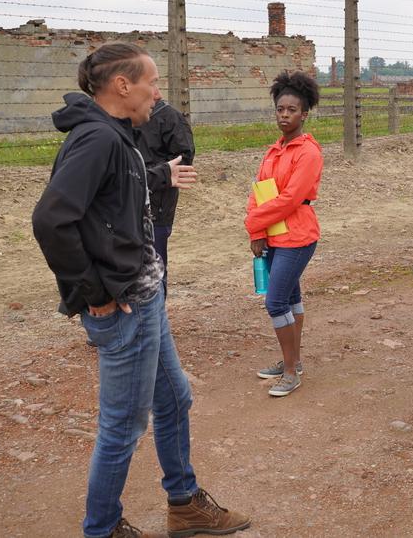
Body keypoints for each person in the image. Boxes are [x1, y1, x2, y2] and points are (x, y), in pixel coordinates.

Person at [32, 43, 249, 538]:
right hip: (123, 307)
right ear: (122, 86)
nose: (158, 92)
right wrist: (93, 294)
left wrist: (159, 173)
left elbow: (115, 189)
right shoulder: (97, 139)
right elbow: (51, 221)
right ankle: (102, 528)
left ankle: (185, 504)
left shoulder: (117, 135)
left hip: (145, 299)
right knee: (123, 427)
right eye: (152, 81)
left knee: (174, 400)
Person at [245, 71, 323, 398]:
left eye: (291, 110)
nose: (284, 115)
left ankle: (290, 372)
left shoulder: (308, 152)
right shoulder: (274, 150)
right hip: (274, 235)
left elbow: (291, 198)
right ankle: (294, 360)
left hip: (297, 236)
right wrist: (259, 227)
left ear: (304, 114)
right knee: (291, 299)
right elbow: (261, 190)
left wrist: (252, 224)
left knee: (276, 302)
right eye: (280, 109)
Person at [136, 87, 196, 292]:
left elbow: (183, 160)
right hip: (128, 206)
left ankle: (156, 313)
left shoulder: (169, 117)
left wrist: (149, 175)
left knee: (154, 268)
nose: (156, 91)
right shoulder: (123, 119)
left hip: (156, 208)